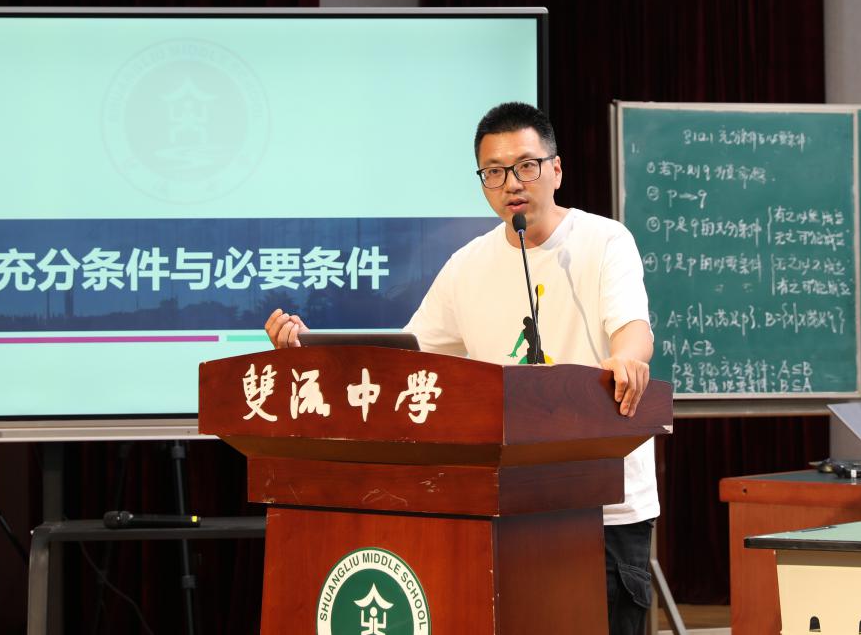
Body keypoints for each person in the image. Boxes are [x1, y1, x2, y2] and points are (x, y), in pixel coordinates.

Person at [265, 102, 656, 635]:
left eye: (526, 166)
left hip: (602, 503)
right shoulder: (467, 265)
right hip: (505, 504)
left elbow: (633, 329)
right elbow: (405, 361)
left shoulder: (605, 241)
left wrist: (627, 359)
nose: (511, 183)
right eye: (494, 172)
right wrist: (312, 355)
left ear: (556, 170)